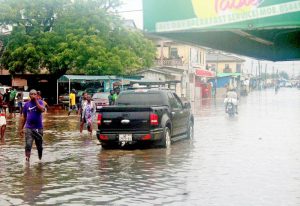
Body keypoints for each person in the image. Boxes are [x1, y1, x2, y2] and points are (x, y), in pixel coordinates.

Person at [19, 89, 45, 161]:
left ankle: (40, 160)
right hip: (29, 128)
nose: (33, 95)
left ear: (37, 95)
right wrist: (21, 128)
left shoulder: (40, 102)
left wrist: (36, 101)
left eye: (35, 94)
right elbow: (24, 117)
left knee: (39, 146)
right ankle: (27, 160)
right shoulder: (27, 104)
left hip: (39, 128)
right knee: (28, 145)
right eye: (31, 94)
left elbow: (42, 110)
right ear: (29, 95)